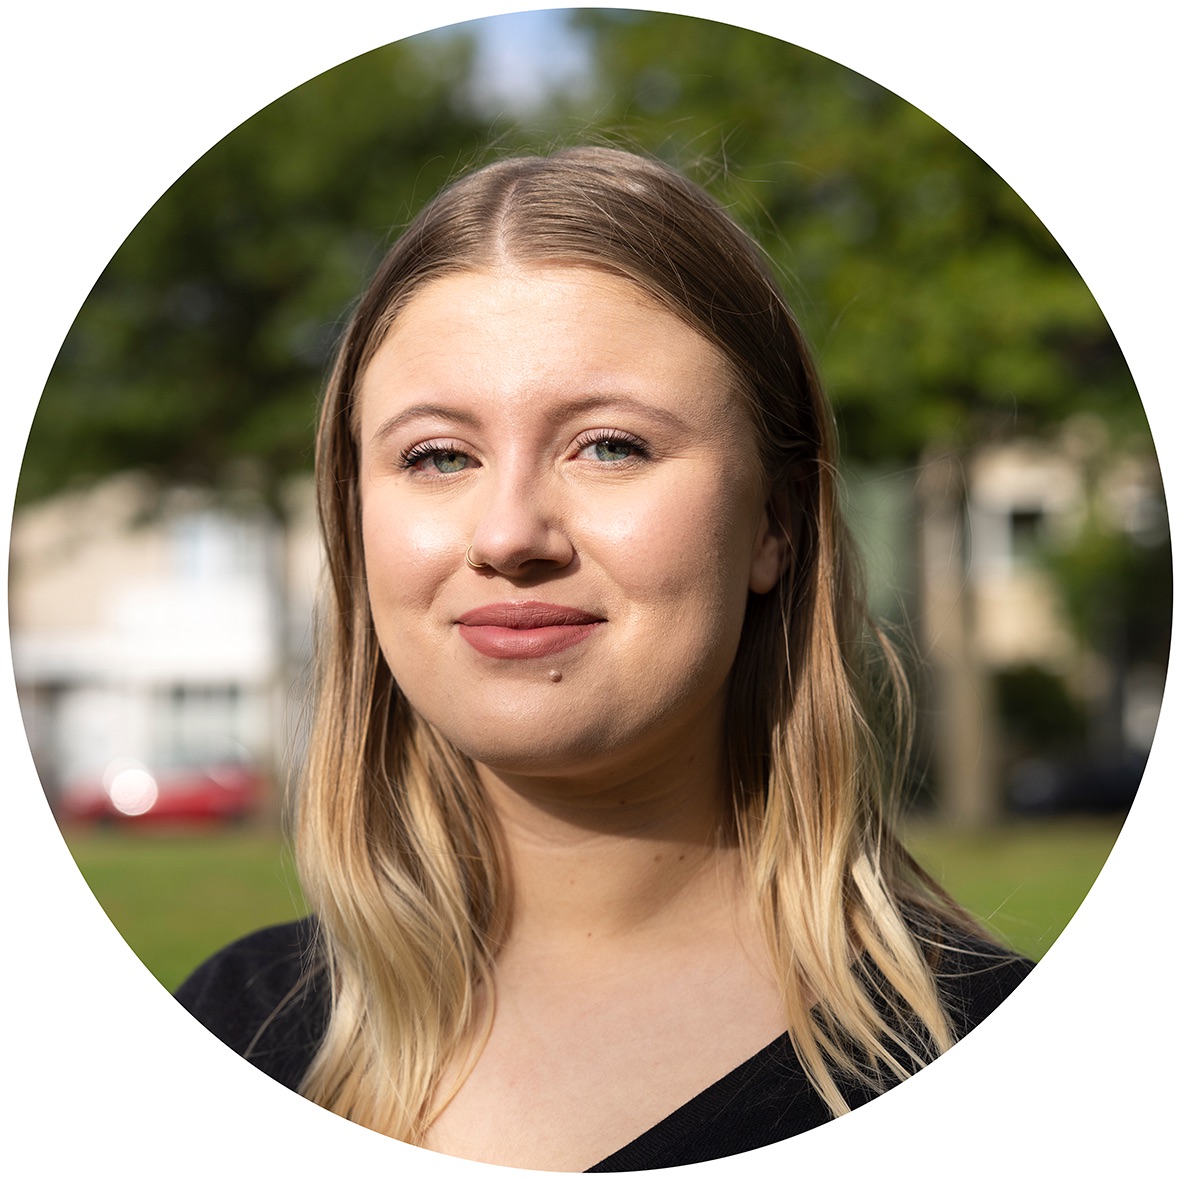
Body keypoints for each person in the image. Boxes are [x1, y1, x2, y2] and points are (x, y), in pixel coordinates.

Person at [177, 146, 1032, 1171]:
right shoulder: (232, 1032)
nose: (508, 533)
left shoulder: (1005, 1072)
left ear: (774, 521)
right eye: (437, 455)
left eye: (610, 445)